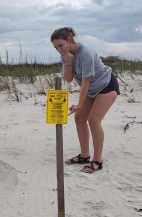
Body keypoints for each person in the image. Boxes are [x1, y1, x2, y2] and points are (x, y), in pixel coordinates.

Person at [50, 27, 120, 174]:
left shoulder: (86, 53)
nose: (59, 50)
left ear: (69, 39)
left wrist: (79, 104)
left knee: (94, 120)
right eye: (55, 47)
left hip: (106, 85)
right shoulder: (64, 56)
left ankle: (97, 160)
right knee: (79, 118)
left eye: (60, 45)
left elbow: (85, 81)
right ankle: (84, 155)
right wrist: (68, 62)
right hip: (91, 90)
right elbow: (68, 79)